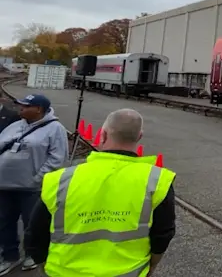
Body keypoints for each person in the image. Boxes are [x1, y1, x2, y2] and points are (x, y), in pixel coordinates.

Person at [24, 108, 177, 277]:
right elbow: (162, 235)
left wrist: (44, 266)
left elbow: (34, 235)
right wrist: (151, 267)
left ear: (102, 135)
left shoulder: (60, 180)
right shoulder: (158, 181)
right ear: (139, 137)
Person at [0, 94, 68, 276]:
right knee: (4, 222)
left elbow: (57, 158)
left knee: (32, 223)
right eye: (20, 105)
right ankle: (9, 256)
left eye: (25, 106)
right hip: (4, 185)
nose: (20, 108)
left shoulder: (55, 129)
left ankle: (32, 254)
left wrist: (37, 178)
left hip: (32, 188)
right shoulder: (15, 126)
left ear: (39, 109)